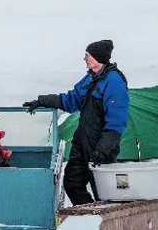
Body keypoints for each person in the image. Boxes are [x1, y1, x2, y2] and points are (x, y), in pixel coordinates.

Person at [23, 39, 129, 205]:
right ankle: (89, 219)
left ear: (98, 58)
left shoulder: (114, 82)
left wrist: (102, 150)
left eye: (88, 55)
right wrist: (42, 101)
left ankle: (105, 227)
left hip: (100, 147)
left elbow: (117, 122)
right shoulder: (90, 78)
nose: (85, 59)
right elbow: (70, 100)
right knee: (72, 184)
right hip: (82, 143)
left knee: (104, 192)